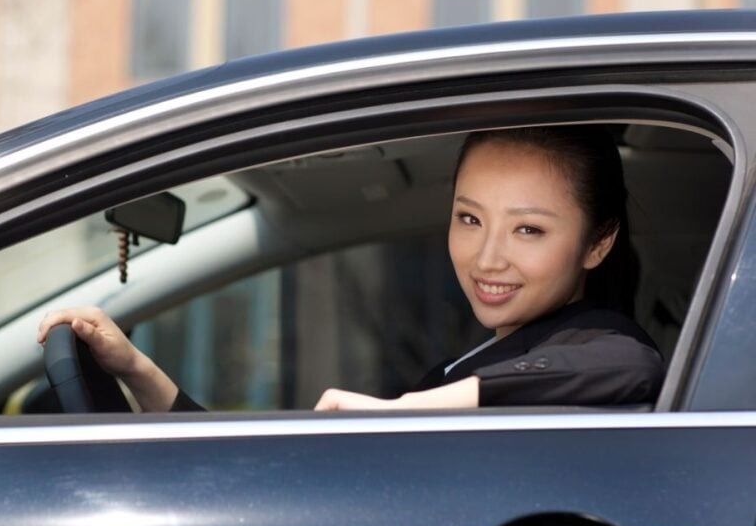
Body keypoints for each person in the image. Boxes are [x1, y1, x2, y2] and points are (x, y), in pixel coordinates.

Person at [37, 126, 664, 412]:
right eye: (469, 219)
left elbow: (630, 367)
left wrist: (393, 412)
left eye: (529, 229)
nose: (487, 256)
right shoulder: (472, 366)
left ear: (598, 244)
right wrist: (136, 370)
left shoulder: (593, 344)